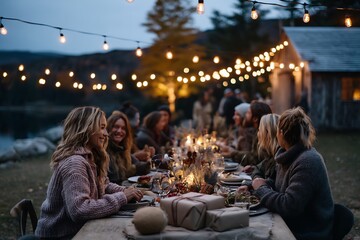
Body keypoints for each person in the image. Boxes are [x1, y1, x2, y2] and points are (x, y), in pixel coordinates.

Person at [35, 106, 143, 239]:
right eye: (102, 127)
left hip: (79, 230)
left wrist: (128, 191)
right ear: (86, 128)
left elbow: (105, 184)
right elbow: (80, 210)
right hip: (62, 235)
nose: (106, 133)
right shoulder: (75, 163)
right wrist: (122, 197)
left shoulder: (90, 157)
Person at [252, 107, 334, 240]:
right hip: (290, 223)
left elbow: (289, 206)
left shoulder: (308, 161)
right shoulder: (286, 155)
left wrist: (261, 189)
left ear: (281, 133)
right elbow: (280, 186)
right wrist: (256, 185)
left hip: (307, 232)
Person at [107, 111, 150, 185]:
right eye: (116, 127)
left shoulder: (123, 149)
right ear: (108, 128)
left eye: (123, 128)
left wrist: (151, 162)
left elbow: (139, 164)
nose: (119, 131)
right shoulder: (105, 151)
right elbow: (113, 182)